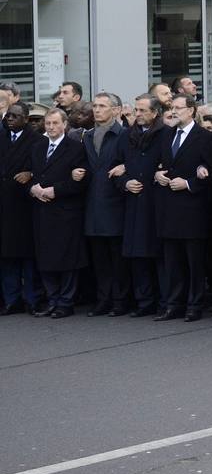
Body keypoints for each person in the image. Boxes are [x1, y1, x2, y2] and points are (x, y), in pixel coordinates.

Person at [154, 95, 212, 322]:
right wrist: (157, 173)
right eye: (172, 108)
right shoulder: (166, 134)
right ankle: (173, 304)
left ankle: (194, 305)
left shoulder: (205, 137)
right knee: (173, 261)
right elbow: (159, 162)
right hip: (169, 208)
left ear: (191, 110)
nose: (173, 112)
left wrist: (189, 183)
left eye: (178, 108)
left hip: (192, 209)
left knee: (194, 262)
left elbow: (210, 171)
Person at [29, 107, 88, 318]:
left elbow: (81, 181)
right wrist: (34, 188)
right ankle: (52, 299)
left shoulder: (75, 148)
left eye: (55, 123)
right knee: (45, 258)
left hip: (65, 211)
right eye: (48, 124)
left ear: (64, 125)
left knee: (67, 259)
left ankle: (66, 301)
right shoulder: (38, 146)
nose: (51, 127)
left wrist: (56, 190)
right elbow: (32, 174)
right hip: (42, 209)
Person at [115, 95, 164, 317]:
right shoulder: (126, 136)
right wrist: (125, 182)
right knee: (137, 255)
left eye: (143, 110)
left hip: (157, 202)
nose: (138, 114)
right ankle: (143, 301)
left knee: (159, 256)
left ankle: (163, 300)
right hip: (133, 202)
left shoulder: (165, 134)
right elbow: (114, 169)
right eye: (136, 110)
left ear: (155, 113)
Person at [82, 92, 128, 316]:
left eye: (102, 106)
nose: (97, 110)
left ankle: (120, 299)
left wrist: (126, 168)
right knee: (99, 258)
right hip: (93, 205)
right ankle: (103, 299)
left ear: (116, 110)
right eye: (95, 106)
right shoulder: (87, 136)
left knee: (117, 257)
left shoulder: (124, 135)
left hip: (116, 203)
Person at [0, 102, 41, 314]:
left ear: (26, 119)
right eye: (8, 116)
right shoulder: (2, 138)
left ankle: (31, 299)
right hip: (5, 204)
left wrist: (31, 173)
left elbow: (45, 166)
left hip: (25, 205)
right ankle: (11, 299)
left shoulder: (36, 140)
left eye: (15, 116)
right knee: (7, 255)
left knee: (28, 256)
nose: (10, 120)